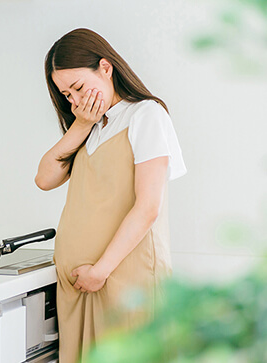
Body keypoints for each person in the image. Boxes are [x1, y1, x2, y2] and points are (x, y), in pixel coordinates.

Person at [35, 28, 187, 363]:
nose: (74, 100)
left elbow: (148, 207)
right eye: (66, 95)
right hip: (83, 287)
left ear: (106, 68)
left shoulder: (146, 115)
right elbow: (44, 179)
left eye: (77, 88)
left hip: (123, 282)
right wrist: (79, 125)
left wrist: (100, 271)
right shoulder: (90, 127)